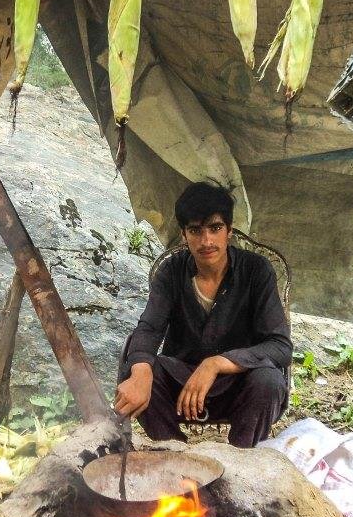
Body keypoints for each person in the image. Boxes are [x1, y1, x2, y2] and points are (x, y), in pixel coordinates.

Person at [113, 182, 292, 448]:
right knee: (138, 371)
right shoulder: (171, 272)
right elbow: (149, 329)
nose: (206, 241)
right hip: (183, 386)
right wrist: (140, 371)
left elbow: (279, 346)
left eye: (215, 228)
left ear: (229, 231)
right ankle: (175, 452)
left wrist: (216, 363)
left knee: (269, 380)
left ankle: (240, 461)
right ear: (184, 234)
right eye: (196, 230)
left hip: (237, 385)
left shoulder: (256, 270)